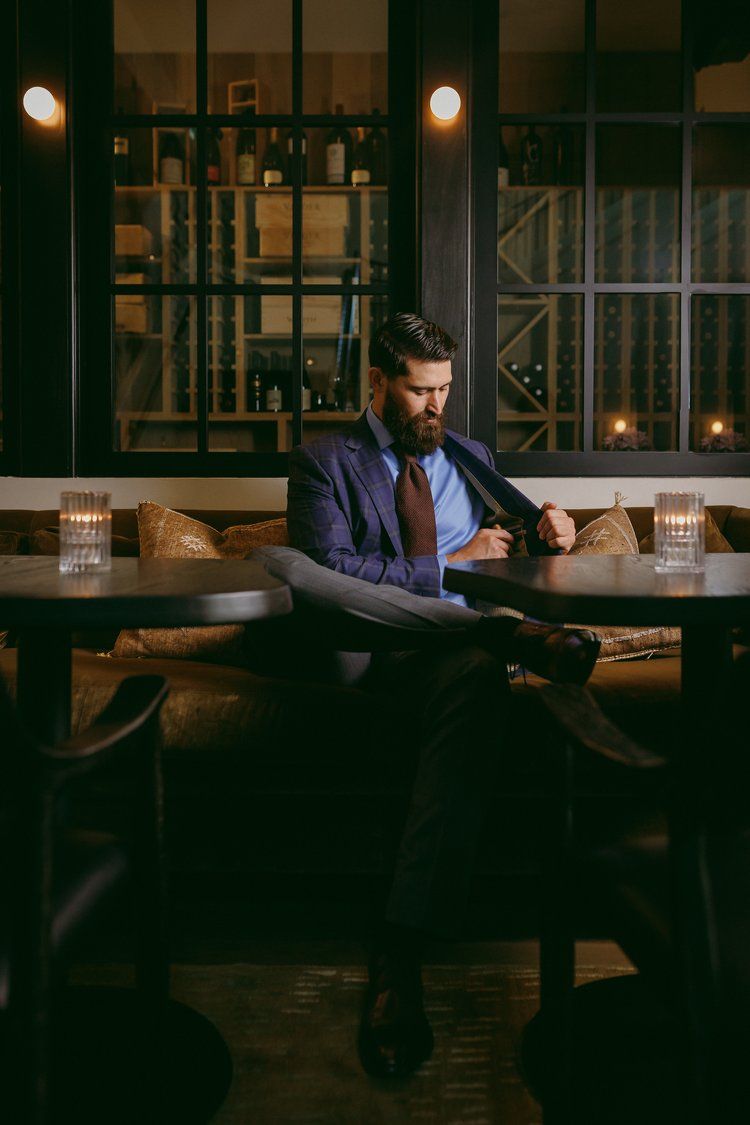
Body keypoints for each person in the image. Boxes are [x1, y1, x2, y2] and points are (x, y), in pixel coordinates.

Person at [273, 313, 595, 1080]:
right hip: (370, 649)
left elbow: (517, 546)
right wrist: (450, 564)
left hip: (451, 660)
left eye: (445, 389)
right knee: (281, 566)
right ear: (378, 382)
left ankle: (402, 945)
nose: (436, 405)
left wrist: (550, 533)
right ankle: (509, 640)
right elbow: (336, 575)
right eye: (421, 390)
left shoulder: (470, 457)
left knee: (477, 674)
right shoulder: (323, 462)